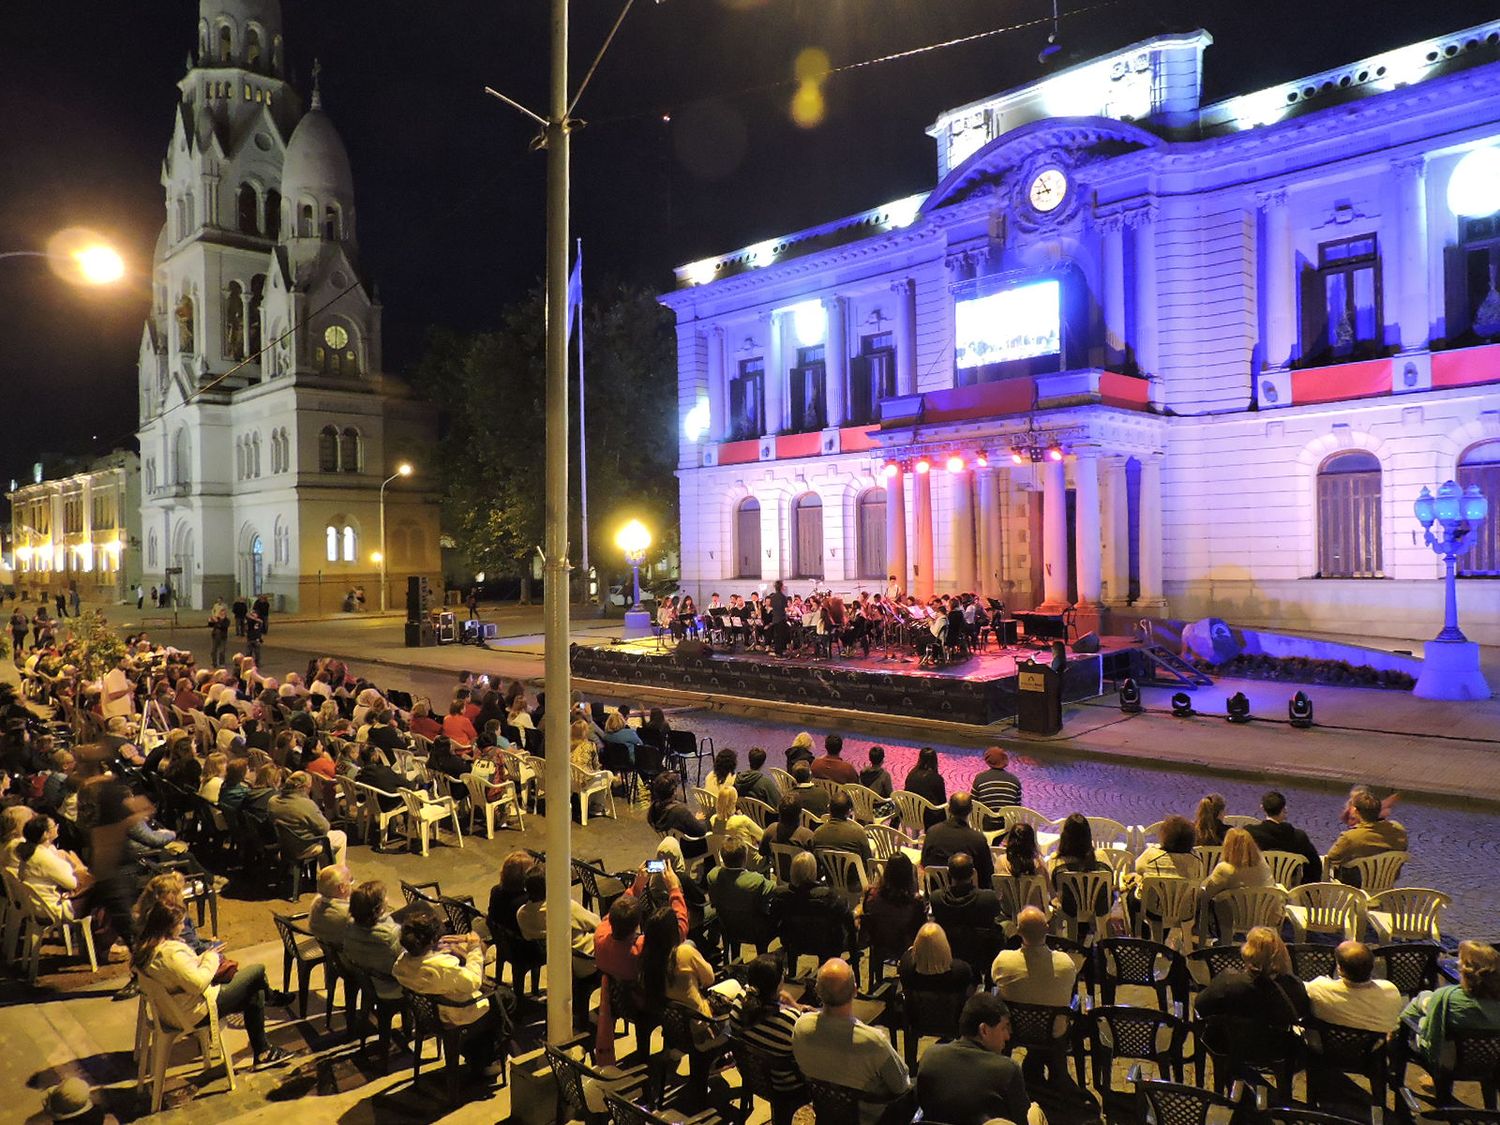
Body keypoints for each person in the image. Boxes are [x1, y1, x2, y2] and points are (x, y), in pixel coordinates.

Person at [132, 879, 292, 1067]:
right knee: (257, 972)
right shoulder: (170, 952)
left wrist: (204, 956)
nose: (183, 927)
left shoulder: (147, 947)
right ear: (169, 926)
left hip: (170, 1010)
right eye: (180, 924)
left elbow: (183, 971)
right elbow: (197, 984)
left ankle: (263, 1051)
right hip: (194, 1011)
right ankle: (264, 1041)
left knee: (254, 992)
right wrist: (210, 957)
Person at [393, 905, 514, 1080]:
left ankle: (477, 1050)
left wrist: (437, 950)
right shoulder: (442, 967)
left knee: (496, 997)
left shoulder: (401, 964)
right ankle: (490, 1056)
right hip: (455, 1015)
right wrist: (474, 948)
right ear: (433, 939)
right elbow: (473, 981)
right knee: (505, 997)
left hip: (428, 1014)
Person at [791, 958, 911, 1125]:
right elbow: (901, 1086)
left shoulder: (801, 1027)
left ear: (817, 991)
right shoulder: (873, 1041)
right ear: (855, 990)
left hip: (825, 1113)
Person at [1195, 926, 1309, 1070]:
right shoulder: (1293, 986)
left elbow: (1200, 1006)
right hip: (1276, 1052)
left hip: (1229, 1047)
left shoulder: (1228, 982)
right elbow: (1303, 1013)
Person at [916, 992, 1033, 1125]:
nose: (1007, 1036)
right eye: (1003, 1027)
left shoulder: (929, 1056)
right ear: (984, 1030)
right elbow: (1022, 1120)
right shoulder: (1008, 1070)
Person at [515, 865, 600, 1029]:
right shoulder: (564, 907)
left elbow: (528, 935)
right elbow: (596, 922)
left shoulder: (522, 914)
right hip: (585, 963)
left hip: (557, 964)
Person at [730, 955, 809, 1125]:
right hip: (786, 1087)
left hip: (752, 1075)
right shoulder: (791, 1021)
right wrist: (795, 1007)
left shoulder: (739, 1002)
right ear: (780, 981)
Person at [1400, 940, 1500, 1073]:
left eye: (1460, 961)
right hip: (1492, 1061)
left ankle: (1394, 1054)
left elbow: (1432, 1032)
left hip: (1451, 1061)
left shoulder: (1446, 998)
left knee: (1418, 1006)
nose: (1457, 963)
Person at [773, 851, 857, 972]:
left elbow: (774, 921)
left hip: (794, 941)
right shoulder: (830, 897)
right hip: (827, 944)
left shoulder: (780, 895)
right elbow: (849, 922)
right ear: (814, 871)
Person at [1305, 940, 1404, 1033]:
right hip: (1373, 1049)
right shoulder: (1390, 990)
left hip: (1324, 1047)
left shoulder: (1319, 987)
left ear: (1340, 969)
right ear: (1372, 966)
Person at [992, 905, 1079, 1009]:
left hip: (1014, 1024)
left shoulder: (1002, 960)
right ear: (1047, 928)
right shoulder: (1066, 963)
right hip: (1055, 1025)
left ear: (1018, 931)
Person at [930, 851, 1002, 970]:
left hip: (950, 952)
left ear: (949, 874)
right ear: (973, 873)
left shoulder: (936, 898)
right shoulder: (988, 898)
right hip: (981, 956)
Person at [858, 852, 927, 974]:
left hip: (878, 944)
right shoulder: (916, 903)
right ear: (909, 876)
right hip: (905, 948)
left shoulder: (871, 895)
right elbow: (920, 931)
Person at [706, 838, 775, 952]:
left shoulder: (712, 876)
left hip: (728, 927)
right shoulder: (756, 881)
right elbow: (775, 890)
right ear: (744, 858)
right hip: (756, 930)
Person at [1202, 827, 1275, 935]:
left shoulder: (1225, 869)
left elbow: (1206, 893)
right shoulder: (1263, 865)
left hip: (1236, 918)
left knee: (1213, 902)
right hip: (1265, 914)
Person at [267, 771, 348, 867]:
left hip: (285, 846)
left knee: (325, 839)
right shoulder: (306, 804)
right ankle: (337, 875)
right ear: (304, 788)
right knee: (340, 836)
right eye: (310, 788)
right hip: (304, 847)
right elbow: (325, 828)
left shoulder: (272, 801)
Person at [1245, 790, 1323, 889]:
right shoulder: (1298, 837)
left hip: (1258, 884)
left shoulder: (1250, 833)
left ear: (1262, 808)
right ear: (1284, 809)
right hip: (1289, 885)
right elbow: (1315, 865)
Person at [343, 880, 404, 1004]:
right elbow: (405, 963)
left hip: (365, 982)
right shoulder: (391, 934)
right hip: (391, 987)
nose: (387, 899)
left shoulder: (350, 926)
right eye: (384, 898)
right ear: (378, 908)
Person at [1326, 787, 1409, 878]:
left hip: (1357, 882)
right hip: (1386, 878)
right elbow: (1402, 847)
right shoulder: (1398, 829)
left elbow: (1332, 857)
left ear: (1356, 812)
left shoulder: (1351, 837)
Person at [922, 793, 994, 888]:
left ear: (949, 809)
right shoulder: (978, 839)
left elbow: (924, 862)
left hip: (937, 890)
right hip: (970, 895)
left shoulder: (932, 832)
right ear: (970, 810)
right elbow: (987, 873)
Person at [898, 922, 973, 997]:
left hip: (916, 1008)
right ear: (945, 946)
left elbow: (910, 953)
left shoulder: (906, 968)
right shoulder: (962, 971)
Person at [646, 773, 708, 857]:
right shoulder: (679, 811)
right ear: (674, 792)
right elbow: (701, 831)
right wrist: (699, 820)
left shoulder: (653, 808)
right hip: (687, 849)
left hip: (669, 846)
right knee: (710, 828)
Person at [812, 791, 872, 862]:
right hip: (853, 873)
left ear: (829, 809)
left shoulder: (817, 833)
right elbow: (868, 859)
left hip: (826, 873)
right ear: (849, 812)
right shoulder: (858, 833)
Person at [901, 747, 947, 827]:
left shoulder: (911, 774)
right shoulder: (936, 779)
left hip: (910, 813)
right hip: (927, 819)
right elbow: (942, 801)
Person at [710, 786, 764, 853]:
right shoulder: (743, 821)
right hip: (749, 859)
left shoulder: (713, 820)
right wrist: (753, 838)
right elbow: (763, 837)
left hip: (726, 858)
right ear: (734, 802)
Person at [971, 745, 1022, 813]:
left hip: (984, 821)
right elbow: (1017, 807)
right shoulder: (1015, 780)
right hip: (1007, 822)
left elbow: (973, 803)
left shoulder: (979, 778)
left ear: (988, 761)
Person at [767, 579, 791, 657]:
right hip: (781, 618)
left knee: (776, 636)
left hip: (775, 619)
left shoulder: (772, 597)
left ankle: (778, 651)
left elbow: (771, 607)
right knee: (781, 635)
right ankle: (780, 652)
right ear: (781, 587)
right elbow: (785, 609)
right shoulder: (783, 597)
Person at [208, 600, 230, 667]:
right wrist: (210, 621)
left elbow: (223, 626)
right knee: (213, 651)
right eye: (221, 612)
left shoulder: (226, 620)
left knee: (222, 651)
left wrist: (217, 622)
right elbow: (211, 625)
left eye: (223, 613)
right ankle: (214, 663)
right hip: (215, 636)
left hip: (223, 637)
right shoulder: (217, 618)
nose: (222, 614)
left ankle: (221, 663)